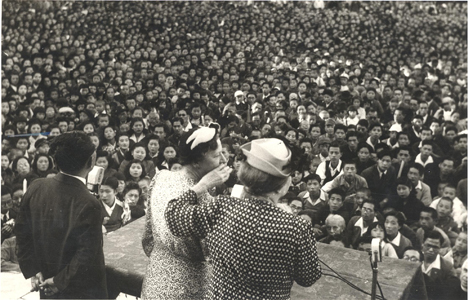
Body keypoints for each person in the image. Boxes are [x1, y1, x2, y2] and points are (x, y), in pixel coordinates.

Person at [165, 138, 322, 299]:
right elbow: (308, 278)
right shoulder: (297, 227)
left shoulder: (220, 207)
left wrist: (202, 185)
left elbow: (172, 215)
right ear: (283, 185)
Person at [15, 131, 107, 299]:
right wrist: (58, 281)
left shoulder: (36, 186)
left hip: (45, 283)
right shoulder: (89, 202)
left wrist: (33, 270)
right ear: (91, 161)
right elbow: (86, 254)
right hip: (81, 291)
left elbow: (21, 233)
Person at [141, 126, 227, 299]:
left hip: (156, 275)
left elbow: (148, 235)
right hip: (187, 287)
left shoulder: (163, 177)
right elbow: (208, 252)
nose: (224, 160)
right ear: (196, 162)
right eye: (217, 155)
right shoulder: (200, 198)